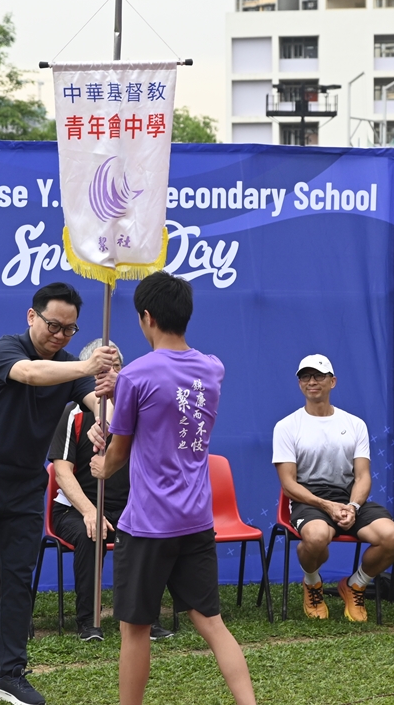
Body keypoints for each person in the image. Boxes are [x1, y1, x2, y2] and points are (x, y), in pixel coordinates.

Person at [0, 282, 117, 705]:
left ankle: (9, 675)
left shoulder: (69, 366)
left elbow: (95, 401)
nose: (60, 335)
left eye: (69, 329)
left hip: (27, 484)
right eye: (53, 325)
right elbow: (31, 374)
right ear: (32, 316)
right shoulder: (6, 349)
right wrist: (86, 366)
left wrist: (105, 414)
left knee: (17, 581)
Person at [90, 271, 256, 705]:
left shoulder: (136, 376)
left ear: (147, 317)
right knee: (212, 623)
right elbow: (162, 401)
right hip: (196, 518)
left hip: (147, 523)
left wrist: (100, 465)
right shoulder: (213, 369)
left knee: (135, 628)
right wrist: (121, 387)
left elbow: (117, 453)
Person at [47, 339, 174, 643]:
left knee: (145, 531)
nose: (111, 374)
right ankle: (89, 622)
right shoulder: (74, 414)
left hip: (125, 507)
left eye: (116, 367)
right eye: (103, 369)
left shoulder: (137, 413)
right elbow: (62, 472)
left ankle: (145, 618)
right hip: (76, 509)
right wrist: (90, 511)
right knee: (91, 533)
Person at [271, 353, 394, 622]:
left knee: (392, 536)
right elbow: (289, 484)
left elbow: (363, 476)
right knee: (318, 538)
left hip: (348, 497)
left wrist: (352, 506)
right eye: (305, 377)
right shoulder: (286, 426)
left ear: (333, 381)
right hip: (308, 499)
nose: (311, 381)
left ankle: (356, 584)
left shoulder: (354, 424)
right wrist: (326, 506)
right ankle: (312, 582)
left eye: (318, 376)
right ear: (299, 384)